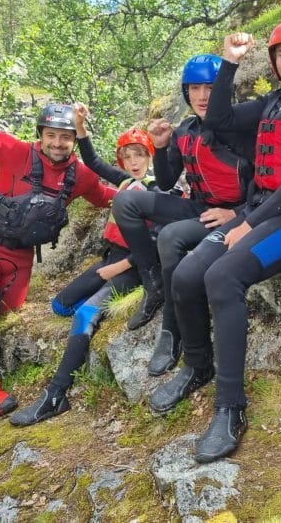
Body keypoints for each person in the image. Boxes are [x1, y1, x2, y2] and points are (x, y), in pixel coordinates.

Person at [166, 20, 281, 462]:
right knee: (188, 273)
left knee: (223, 277)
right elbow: (219, 117)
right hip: (260, 209)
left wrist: (249, 223)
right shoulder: (272, 103)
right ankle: (197, 364)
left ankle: (231, 407)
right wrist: (229, 62)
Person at [0, 34, 116, 427]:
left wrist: (150, 191)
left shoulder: (78, 176)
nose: (59, 143)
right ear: (41, 135)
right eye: (52, 135)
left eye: (66, 137)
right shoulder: (14, 152)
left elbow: (106, 197)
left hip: (19, 260)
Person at [111, 54, 254, 381]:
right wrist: (160, 148)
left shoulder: (243, 128)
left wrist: (237, 213)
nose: (203, 95)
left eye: (210, 87)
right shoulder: (185, 129)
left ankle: (171, 327)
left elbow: (266, 181)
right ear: (186, 92)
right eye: (195, 88)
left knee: (170, 236)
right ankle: (153, 285)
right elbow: (163, 182)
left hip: (235, 212)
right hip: (200, 206)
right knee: (126, 203)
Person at [9, 123, 157, 426]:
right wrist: (80, 130)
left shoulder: (157, 190)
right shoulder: (127, 182)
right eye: (128, 156)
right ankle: (97, 294)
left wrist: (118, 269)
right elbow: (93, 162)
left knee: (84, 315)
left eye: (140, 155)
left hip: (134, 267)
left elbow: (158, 242)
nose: (134, 162)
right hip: (111, 257)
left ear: (150, 157)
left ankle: (55, 396)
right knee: (60, 306)